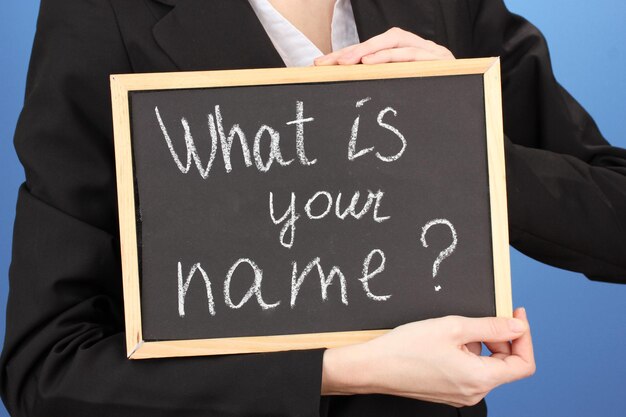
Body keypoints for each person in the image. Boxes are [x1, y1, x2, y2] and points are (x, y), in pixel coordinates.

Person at [0, 0, 624, 416]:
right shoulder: (103, 15)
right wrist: (335, 370)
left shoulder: (443, 5)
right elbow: (48, 369)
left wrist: (462, 136)